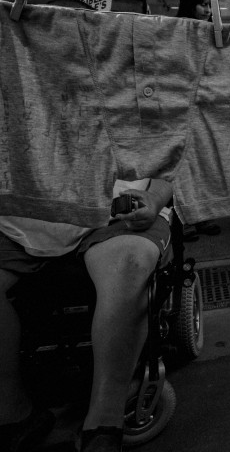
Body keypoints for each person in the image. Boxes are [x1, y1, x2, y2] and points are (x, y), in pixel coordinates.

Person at [1, 179, 174, 452]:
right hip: (17, 219)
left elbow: (167, 161)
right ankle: (12, 411)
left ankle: (104, 425)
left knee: (129, 262)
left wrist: (153, 199)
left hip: (113, 215)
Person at [176, 0, 222, 241]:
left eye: (209, 5)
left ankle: (201, 215)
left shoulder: (211, 31)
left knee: (204, 161)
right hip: (181, 104)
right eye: (202, 4)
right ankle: (185, 219)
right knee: (183, 165)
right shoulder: (176, 28)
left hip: (204, 103)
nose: (206, 10)